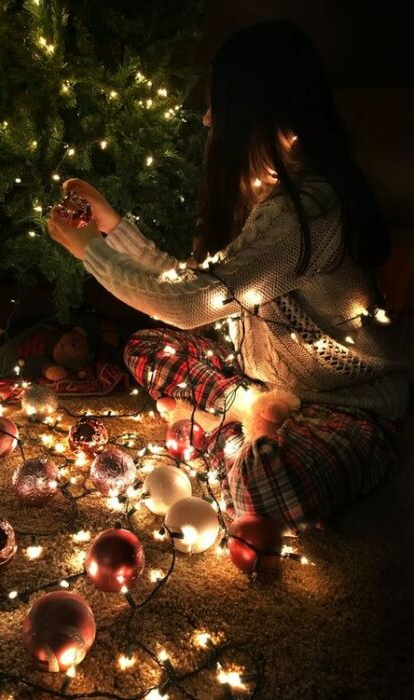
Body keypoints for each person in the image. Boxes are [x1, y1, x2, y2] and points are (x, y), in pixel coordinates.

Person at [47, 21, 409, 531]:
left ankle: (221, 432)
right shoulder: (265, 197)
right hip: (261, 381)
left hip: (347, 407)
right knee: (144, 348)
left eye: (219, 103)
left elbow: (195, 304)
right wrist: (110, 227)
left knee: (260, 488)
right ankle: (245, 416)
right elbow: (191, 284)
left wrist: (92, 253)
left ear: (256, 109)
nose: (208, 117)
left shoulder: (310, 207)